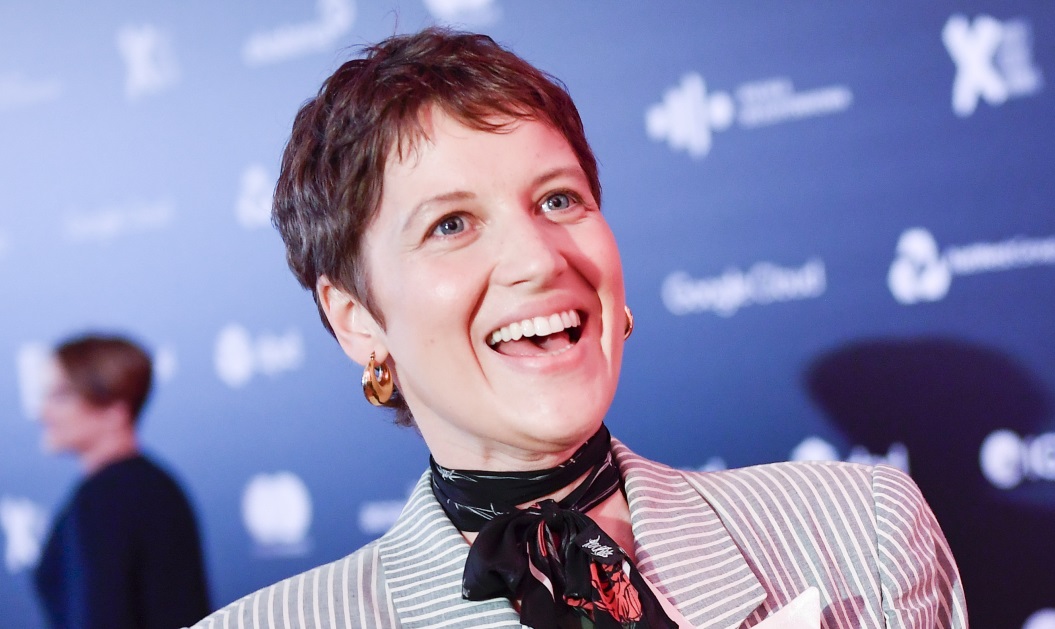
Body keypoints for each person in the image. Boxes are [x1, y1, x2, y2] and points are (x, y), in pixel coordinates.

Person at [191, 28, 967, 628]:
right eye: (451, 224)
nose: (538, 257)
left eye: (558, 200)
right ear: (357, 320)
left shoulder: (857, 528)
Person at [34, 334, 211, 629]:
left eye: (62, 395)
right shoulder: (154, 486)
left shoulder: (106, 498)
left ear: (115, 409)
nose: (43, 413)